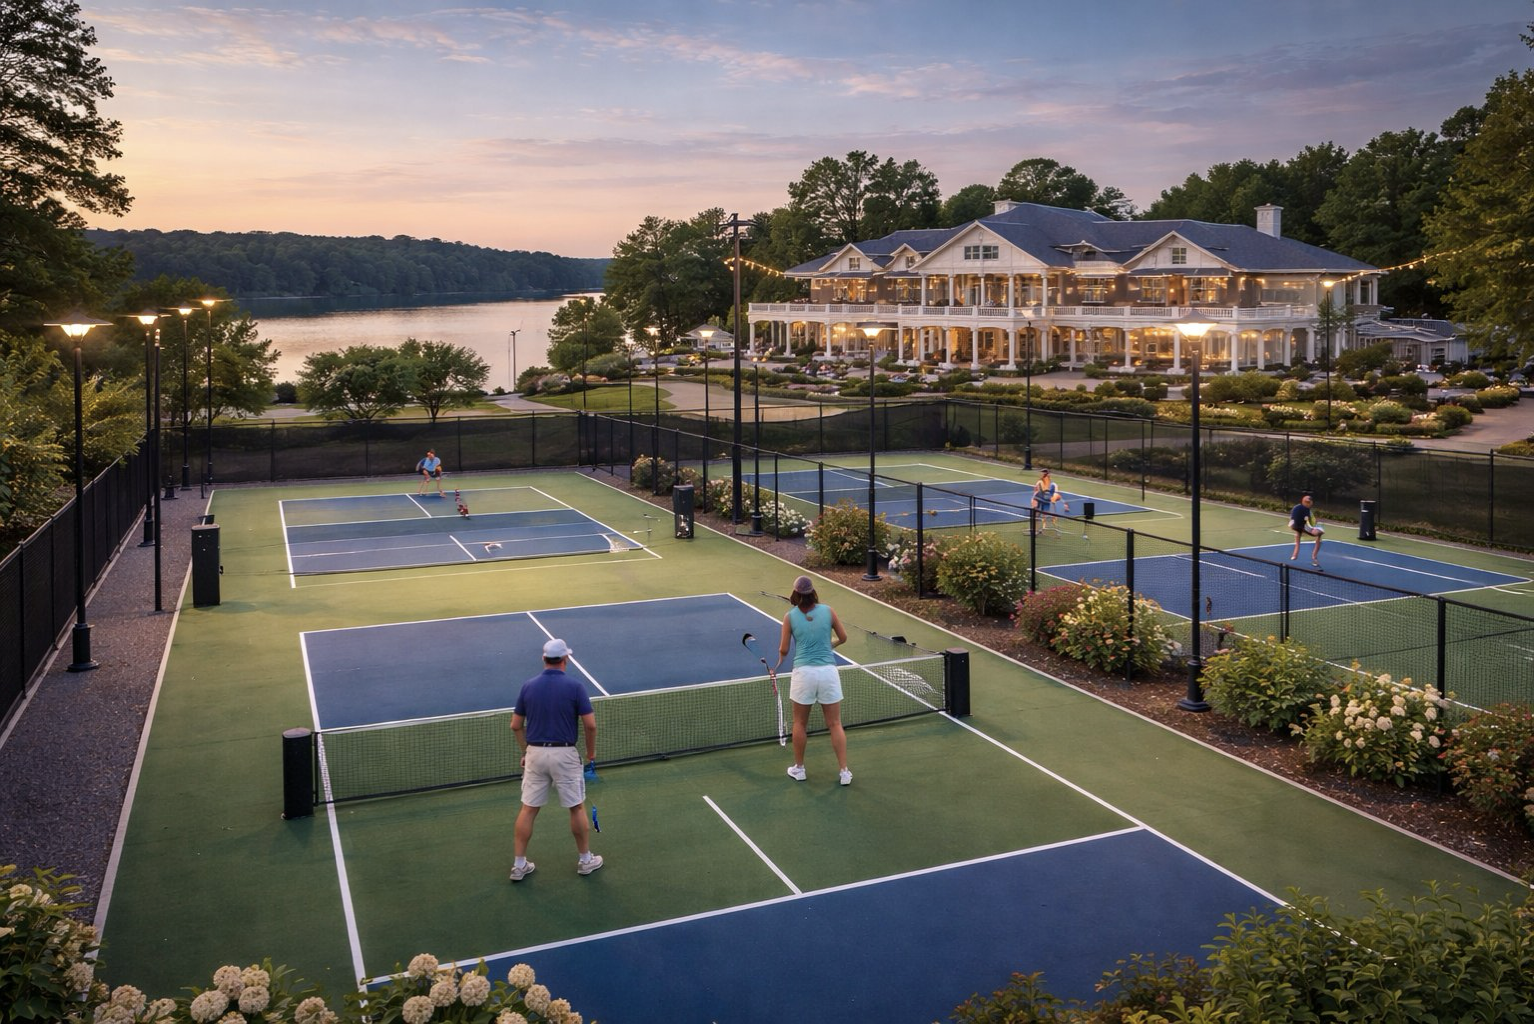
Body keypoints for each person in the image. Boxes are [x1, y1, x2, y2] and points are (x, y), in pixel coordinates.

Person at [508, 638, 601, 881]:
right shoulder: (576, 687)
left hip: (535, 754)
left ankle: (519, 865)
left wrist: (525, 751)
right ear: (566, 659)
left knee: (528, 809)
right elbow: (590, 725)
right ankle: (585, 861)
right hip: (565, 755)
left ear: (543, 659)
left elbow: (516, 725)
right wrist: (591, 755)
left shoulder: (528, 686)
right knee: (576, 807)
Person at [775, 575, 851, 785]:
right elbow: (843, 637)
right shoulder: (828, 611)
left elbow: (784, 649)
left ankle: (799, 769)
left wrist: (780, 657)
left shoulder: (790, 617)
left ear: (795, 593)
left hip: (804, 674)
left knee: (799, 723)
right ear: (813, 592)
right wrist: (829, 646)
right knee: (835, 723)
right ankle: (844, 772)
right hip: (828, 672)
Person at [1289, 493, 1325, 567]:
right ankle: (1314, 557)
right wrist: (1313, 529)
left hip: (1295, 526)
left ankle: (1295, 555)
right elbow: (1308, 523)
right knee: (1320, 533)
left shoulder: (1297, 507)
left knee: (1298, 533)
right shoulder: (1307, 511)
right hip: (1303, 526)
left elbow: (1292, 518)